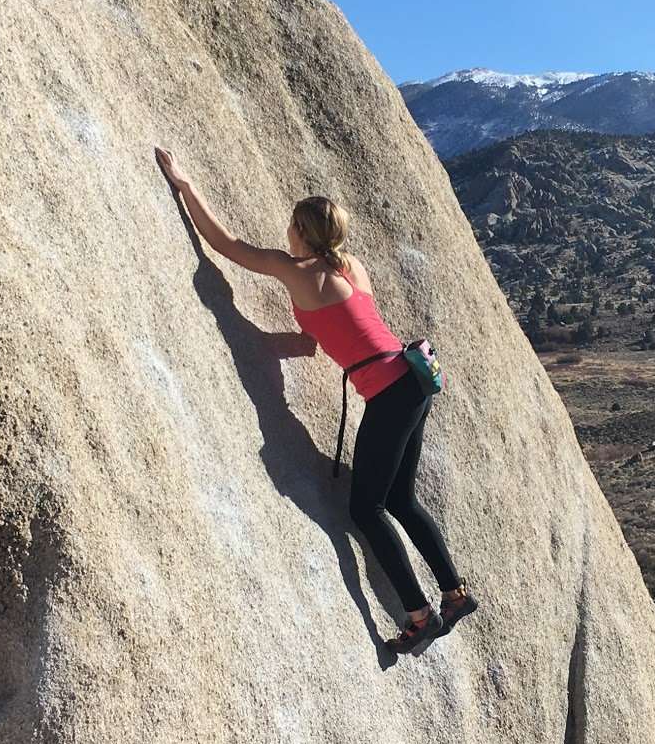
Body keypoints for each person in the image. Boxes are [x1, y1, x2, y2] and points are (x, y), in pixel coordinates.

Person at [156, 148, 477, 653]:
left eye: (292, 226)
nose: (286, 233)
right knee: (399, 498)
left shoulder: (297, 271)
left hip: (391, 393)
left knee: (366, 508)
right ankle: (455, 593)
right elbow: (350, 328)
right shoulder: (352, 267)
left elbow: (225, 245)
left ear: (302, 233)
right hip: (411, 381)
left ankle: (420, 615)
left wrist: (184, 184)